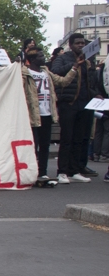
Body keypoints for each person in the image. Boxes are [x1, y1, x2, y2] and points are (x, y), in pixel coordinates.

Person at [50, 33, 100, 184]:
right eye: (77, 43)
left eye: (82, 43)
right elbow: (56, 72)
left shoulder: (88, 60)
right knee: (67, 138)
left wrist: (95, 94)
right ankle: (62, 171)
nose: (80, 45)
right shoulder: (63, 58)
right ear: (70, 45)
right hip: (69, 103)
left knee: (79, 138)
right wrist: (75, 65)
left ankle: (75, 170)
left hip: (84, 102)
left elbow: (90, 80)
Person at [22, 50, 76, 184]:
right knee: (33, 145)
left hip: (47, 113)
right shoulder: (24, 73)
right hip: (33, 114)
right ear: (33, 59)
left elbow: (62, 82)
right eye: (40, 56)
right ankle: (31, 171)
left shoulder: (46, 72)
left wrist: (74, 69)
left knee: (45, 145)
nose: (44, 58)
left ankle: (43, 172)